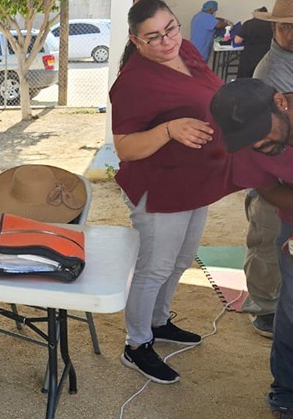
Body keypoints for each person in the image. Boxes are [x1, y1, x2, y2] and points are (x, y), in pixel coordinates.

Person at [110, 0, 235, 384]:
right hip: (159, 187)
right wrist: (169, 130)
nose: (166, 41)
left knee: (180, 260)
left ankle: (158, 321)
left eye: (171, 29)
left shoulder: (187, 50)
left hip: (193, 180)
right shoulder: (132, 83)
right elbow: (125, 148)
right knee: (154, 267)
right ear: (135, 40)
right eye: (153, 37)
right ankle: (136, 344)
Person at [211, 77, 293, 419]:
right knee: (291, 310)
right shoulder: (249, 143)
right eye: (248, 140)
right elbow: (267, 187)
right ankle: (287, 392)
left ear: (281, 103)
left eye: (261, 133)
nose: (258, 144)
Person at [240, 0, 293, 338]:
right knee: (267, 242)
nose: (291, 33)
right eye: (285, 26)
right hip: (272, 174)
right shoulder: (271, 70)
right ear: (273, 27)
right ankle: (262, 307)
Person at [235, 7, 273, 79]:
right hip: (267, 57)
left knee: (246, 80)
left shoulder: (249, 23)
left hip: (249, 57)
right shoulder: (273, 25)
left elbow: (237, 40)